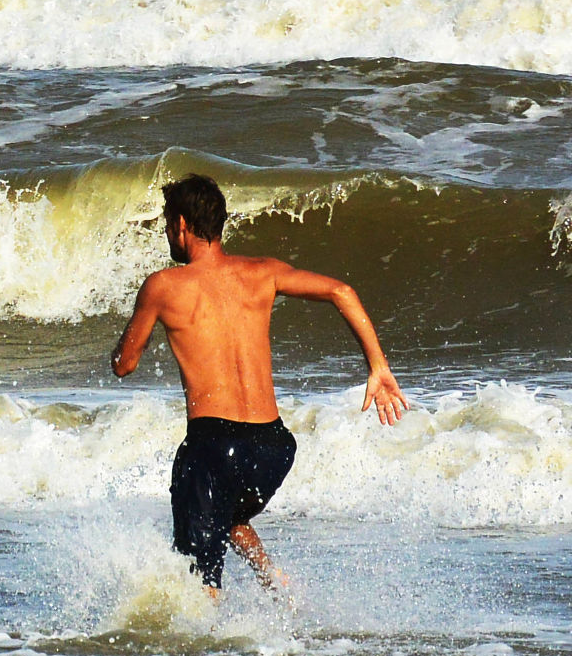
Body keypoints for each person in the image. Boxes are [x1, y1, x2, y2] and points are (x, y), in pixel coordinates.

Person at [111, 174, 409, 593]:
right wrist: (377, 366)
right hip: (273, 448)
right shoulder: (264, 272)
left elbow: (125, 365)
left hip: (214, 443)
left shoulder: (163, 285)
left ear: (181, 225)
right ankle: (277, 582)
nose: (166, 235)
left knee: (200, 577)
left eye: (166, 225)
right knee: (228, 516)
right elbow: (342, 291)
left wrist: (122, 344)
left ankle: (198, 655)